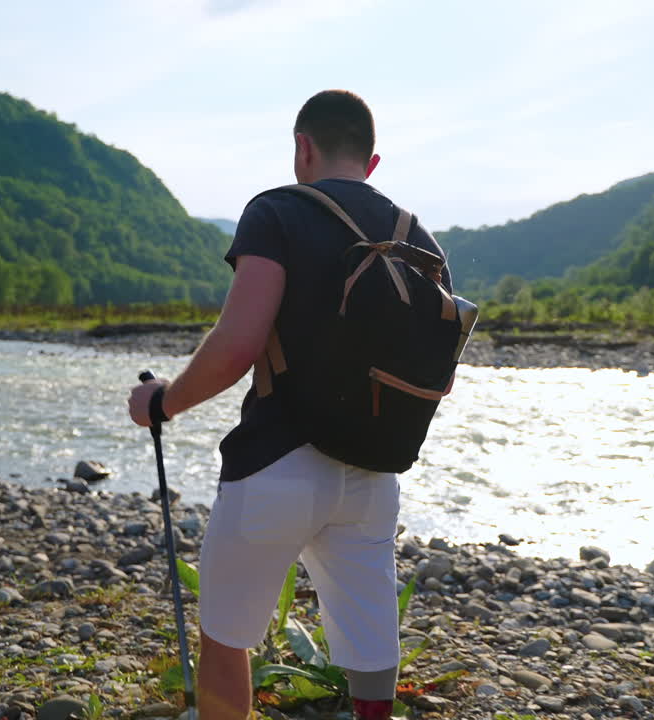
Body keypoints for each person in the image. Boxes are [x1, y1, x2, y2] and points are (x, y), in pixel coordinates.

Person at [128, 89, 452, 720]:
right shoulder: (417, 236)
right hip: (373, 468)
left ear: (303, 147)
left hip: (276, 464)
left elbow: (238, 342)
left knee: (226, 634)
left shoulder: (277, 211)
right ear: (372, 162)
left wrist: (165, 403)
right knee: (370, 639)